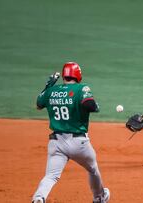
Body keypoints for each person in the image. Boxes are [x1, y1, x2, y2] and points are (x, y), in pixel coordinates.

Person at [32, 62, 110, 203]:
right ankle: (99, 198)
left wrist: (48, 86)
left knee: (51, 176)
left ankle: (39, 197)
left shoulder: (52, 90)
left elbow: (38, 104)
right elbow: (89, 105)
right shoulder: (81, 88)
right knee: (92, 169)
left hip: (56, 142)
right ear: (78, 74)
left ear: (64, 75)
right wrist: (96, 106)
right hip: (79, 143)